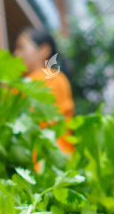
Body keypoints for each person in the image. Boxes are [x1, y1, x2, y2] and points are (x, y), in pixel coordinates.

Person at [12, 27, 75, 155]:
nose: (16, 54)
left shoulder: (54, 79)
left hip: (52, 161)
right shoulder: (21, 85)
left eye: (21, 47)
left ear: (44, 50)